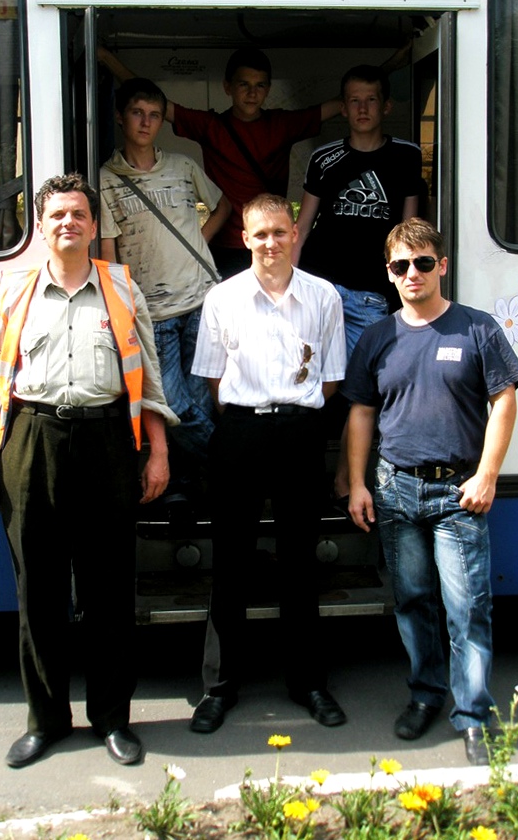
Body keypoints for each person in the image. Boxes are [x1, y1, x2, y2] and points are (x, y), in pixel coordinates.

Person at [0, 174, 177, 769]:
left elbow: (149, 376)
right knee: (39, 591)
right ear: (41, 225)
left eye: (79, 214)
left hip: (108, 439)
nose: (68, 223)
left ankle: (113, 719)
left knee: (109, 589)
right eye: (57, 214)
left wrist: (157, 451)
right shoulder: (14, 290)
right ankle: (47, 721)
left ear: (92, 224)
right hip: (31, 441)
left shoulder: (120, 286)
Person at [343, 218, 518, 766]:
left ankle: (472, 715)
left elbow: (505, 402)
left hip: (458, 494)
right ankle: (425, 695)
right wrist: (357, 483)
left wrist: (488, 474)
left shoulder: (477, 328)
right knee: (413, 603)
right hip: (396, 492)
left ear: (442, 266)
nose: (412, 273)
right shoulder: (378, 336)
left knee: (467, 607)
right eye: (401, 265)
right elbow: (359, 412)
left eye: (423, 262)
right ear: (389, 273)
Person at [188, 193, 347, 733]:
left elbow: (330, 377)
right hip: (240, 432)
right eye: (260, 234)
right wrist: (251, 415)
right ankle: (218, 687)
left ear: (294, 234)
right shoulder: (222, 298)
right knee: (230, 561)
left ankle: (308, 684)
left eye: (280, 232)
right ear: (244, 239)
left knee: (299, 561)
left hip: (301, 432)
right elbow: (213, 379)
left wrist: (290, 413)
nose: (271, 242)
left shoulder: (323, 297)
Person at [98, 44, 342, 277]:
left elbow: (344, 103)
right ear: (228, 86)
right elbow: (150, 98)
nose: (252, 93)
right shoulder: (211, 127)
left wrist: (378, 75)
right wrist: (106, 57)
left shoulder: (283, 125)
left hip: (270, 242)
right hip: (226, 248)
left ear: (268, 89)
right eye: (243, 84)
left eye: (259, 86)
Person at [99, 77, 230, 494]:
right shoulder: (106, 178)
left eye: (154, 115)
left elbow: (224, 205)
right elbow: (107, 253)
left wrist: (198, 243)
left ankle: (196, 483)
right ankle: (237, 469)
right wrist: (122, 308)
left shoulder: (183, 166)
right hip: (152, 313)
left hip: (201, 300)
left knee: (201, 400)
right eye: (138, 113)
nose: (146, 122)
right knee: (174, 407)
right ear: (121, 118)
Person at [294, 64, 421, 358]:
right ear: (343, 108)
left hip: (373, 291)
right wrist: (288, 287)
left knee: (367, 377)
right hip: (321, 284)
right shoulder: (324, 158)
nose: (362, 108)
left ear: (386, 106)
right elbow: (300, 230)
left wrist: (408, 288)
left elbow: (409, 233)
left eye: (371, 100)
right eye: (354, 100)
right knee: (313, 371)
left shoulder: (407, 156)